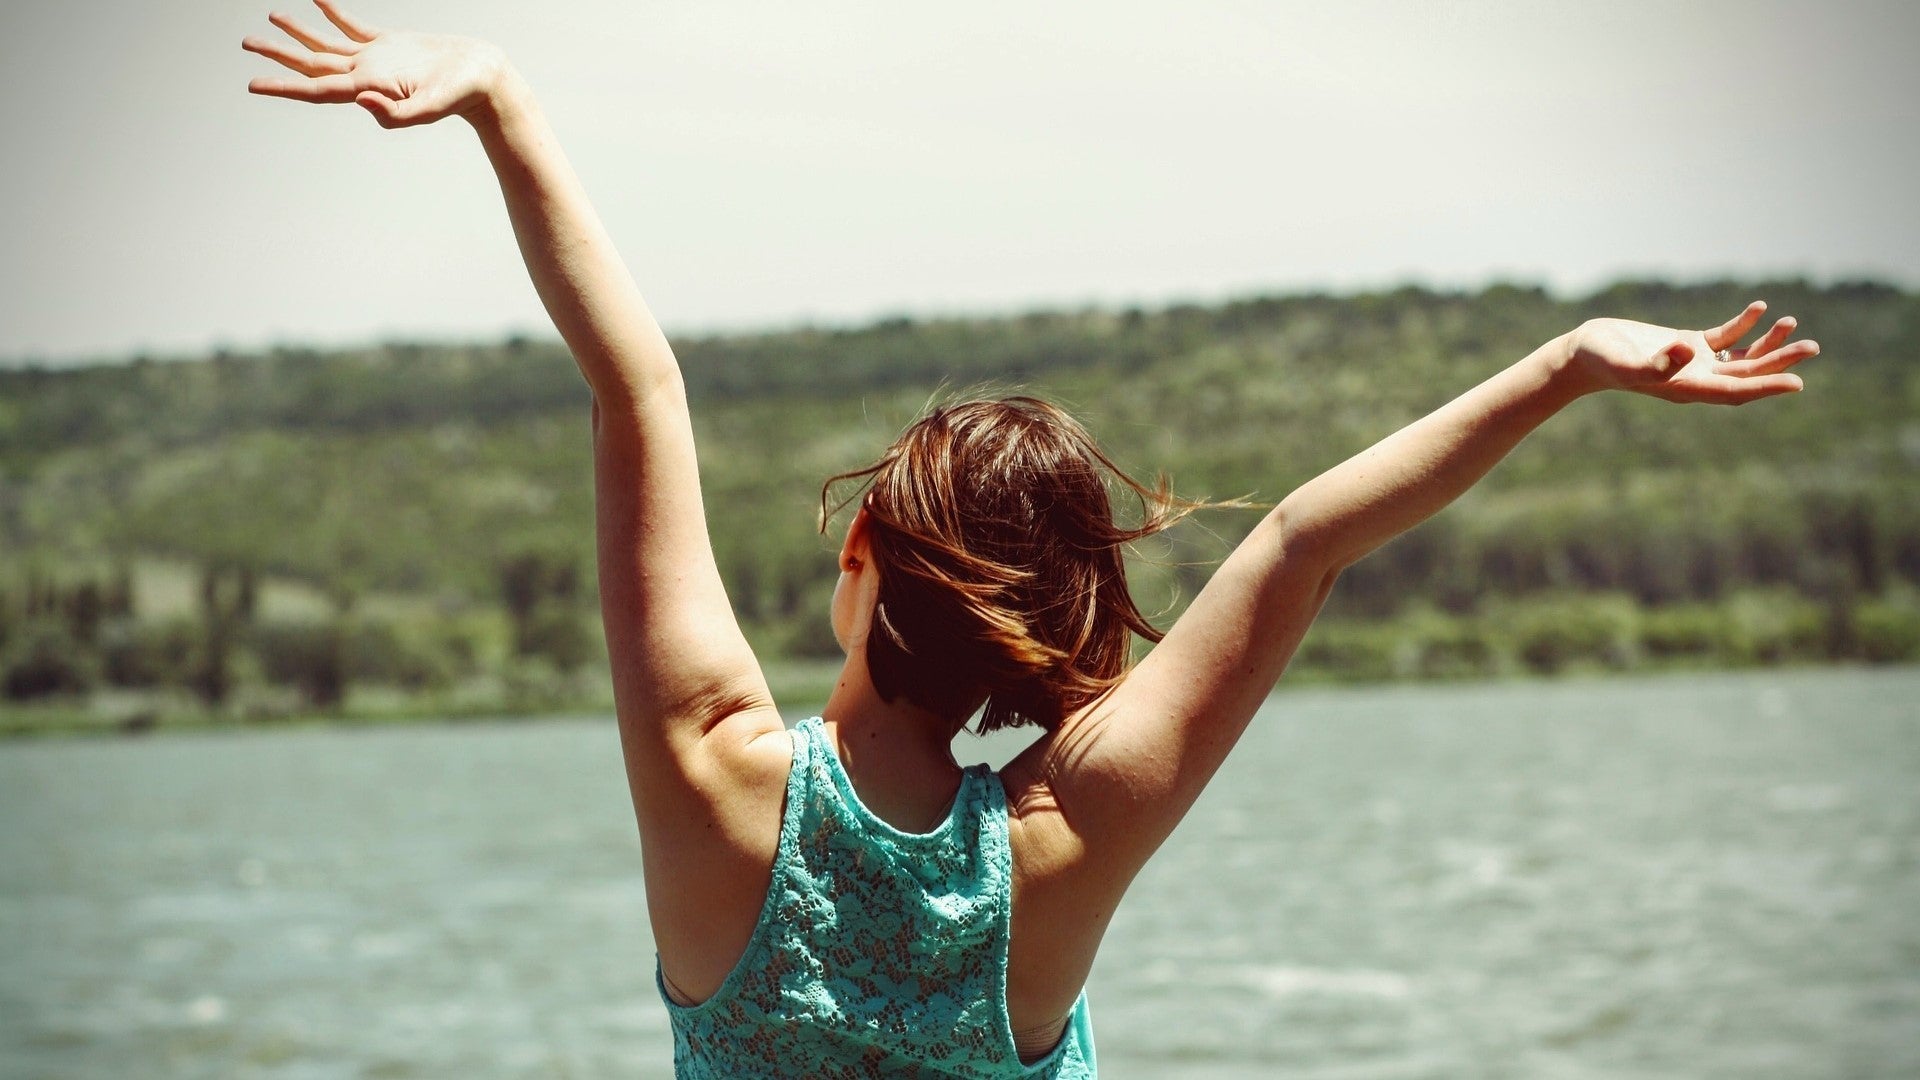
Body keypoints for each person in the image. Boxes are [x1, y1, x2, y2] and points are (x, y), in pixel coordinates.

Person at [243, 5, 1820, 1076]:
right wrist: (1568, 366)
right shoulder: (1064, 842)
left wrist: (504, 111)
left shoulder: (714, 781)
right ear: (1068, 630)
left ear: (861, 552)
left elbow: (633, 384)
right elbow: (1298, 544)